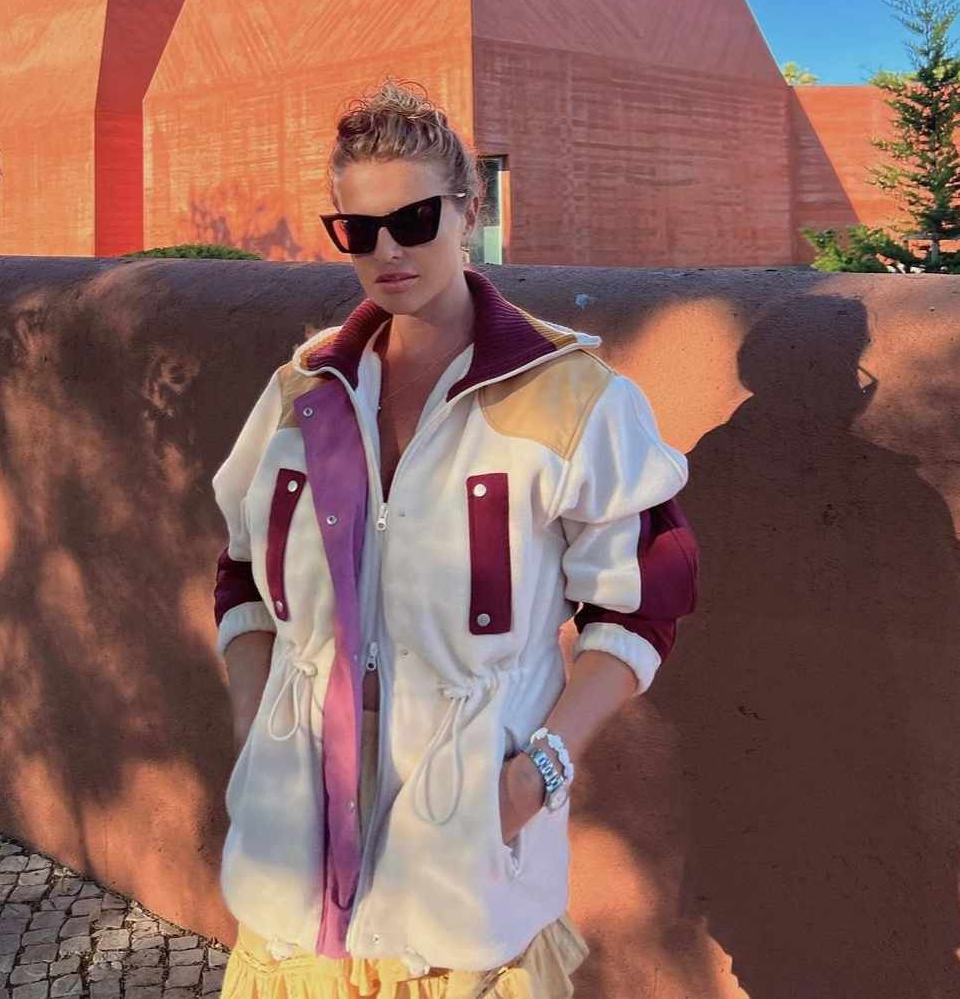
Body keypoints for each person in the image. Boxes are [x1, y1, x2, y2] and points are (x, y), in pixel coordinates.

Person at [213, 81, 698, 999]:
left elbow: (643, 603)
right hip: (296, 856)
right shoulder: (305, 390)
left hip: (464, 865)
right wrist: (250, 730)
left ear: (470, 213)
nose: (388, 251)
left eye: (415, 219)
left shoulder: (572, 398)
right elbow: (240, 573)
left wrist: (537, 774)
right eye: (359, 230)